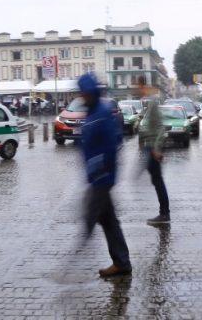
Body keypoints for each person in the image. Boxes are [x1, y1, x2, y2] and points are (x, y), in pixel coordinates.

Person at [78, 73, 132, 277]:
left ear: (90, 92)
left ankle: (83, 251)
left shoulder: (101, 112)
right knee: (108, 219)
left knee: (95, 217)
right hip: (96, 176)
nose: (81, 96)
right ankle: (121, 262)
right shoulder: (92, 112)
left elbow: (112, 144)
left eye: (83, 92)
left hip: (103, 177)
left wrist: (101, 169)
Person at [138, 76, 170, 224]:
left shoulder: (152, 103)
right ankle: (164, 213)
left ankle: (164, 214)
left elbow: (160, 128)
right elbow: (149, 128)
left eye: (138, 87)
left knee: (158, 181)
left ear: (143, 86)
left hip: (153, 149)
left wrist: (157, 149)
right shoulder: (148, 104)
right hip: (149, 147)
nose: (137, 90)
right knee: (157, 181)